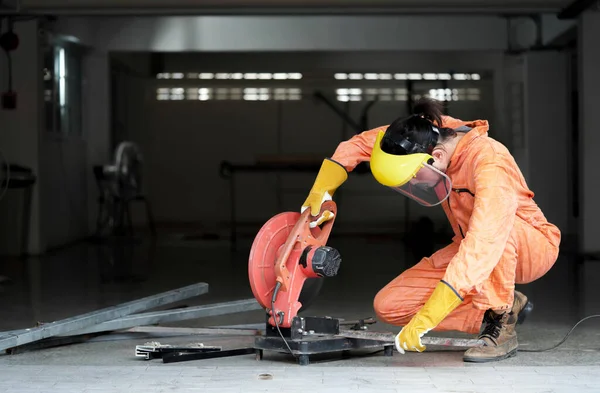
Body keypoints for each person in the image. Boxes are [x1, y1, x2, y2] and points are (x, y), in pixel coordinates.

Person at [301, 97, 561, 363]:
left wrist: (428, 318)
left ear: (436, 156)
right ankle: (499, 302)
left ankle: (500, 319)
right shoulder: (425, 132)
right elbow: (357, 145)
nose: (415, 182)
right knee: (389, 305)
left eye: (415, 175)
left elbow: (484, 241)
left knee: (494, 231)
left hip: (530, 245)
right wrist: (321, 191)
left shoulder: (488, 161)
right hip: (471, 244)